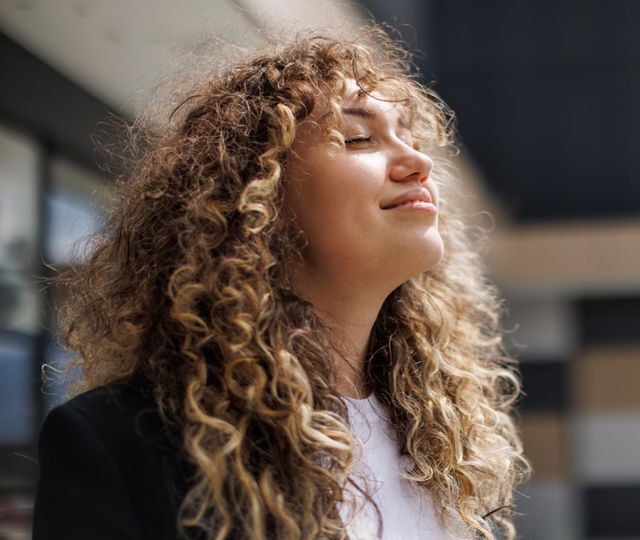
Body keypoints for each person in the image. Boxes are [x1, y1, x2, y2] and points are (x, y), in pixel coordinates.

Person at [33, 28, 529, 540]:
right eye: (358, 138)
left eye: (410, 137)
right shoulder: (121, 442)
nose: (419, 162)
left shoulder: (444, 439)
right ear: (259, 197)